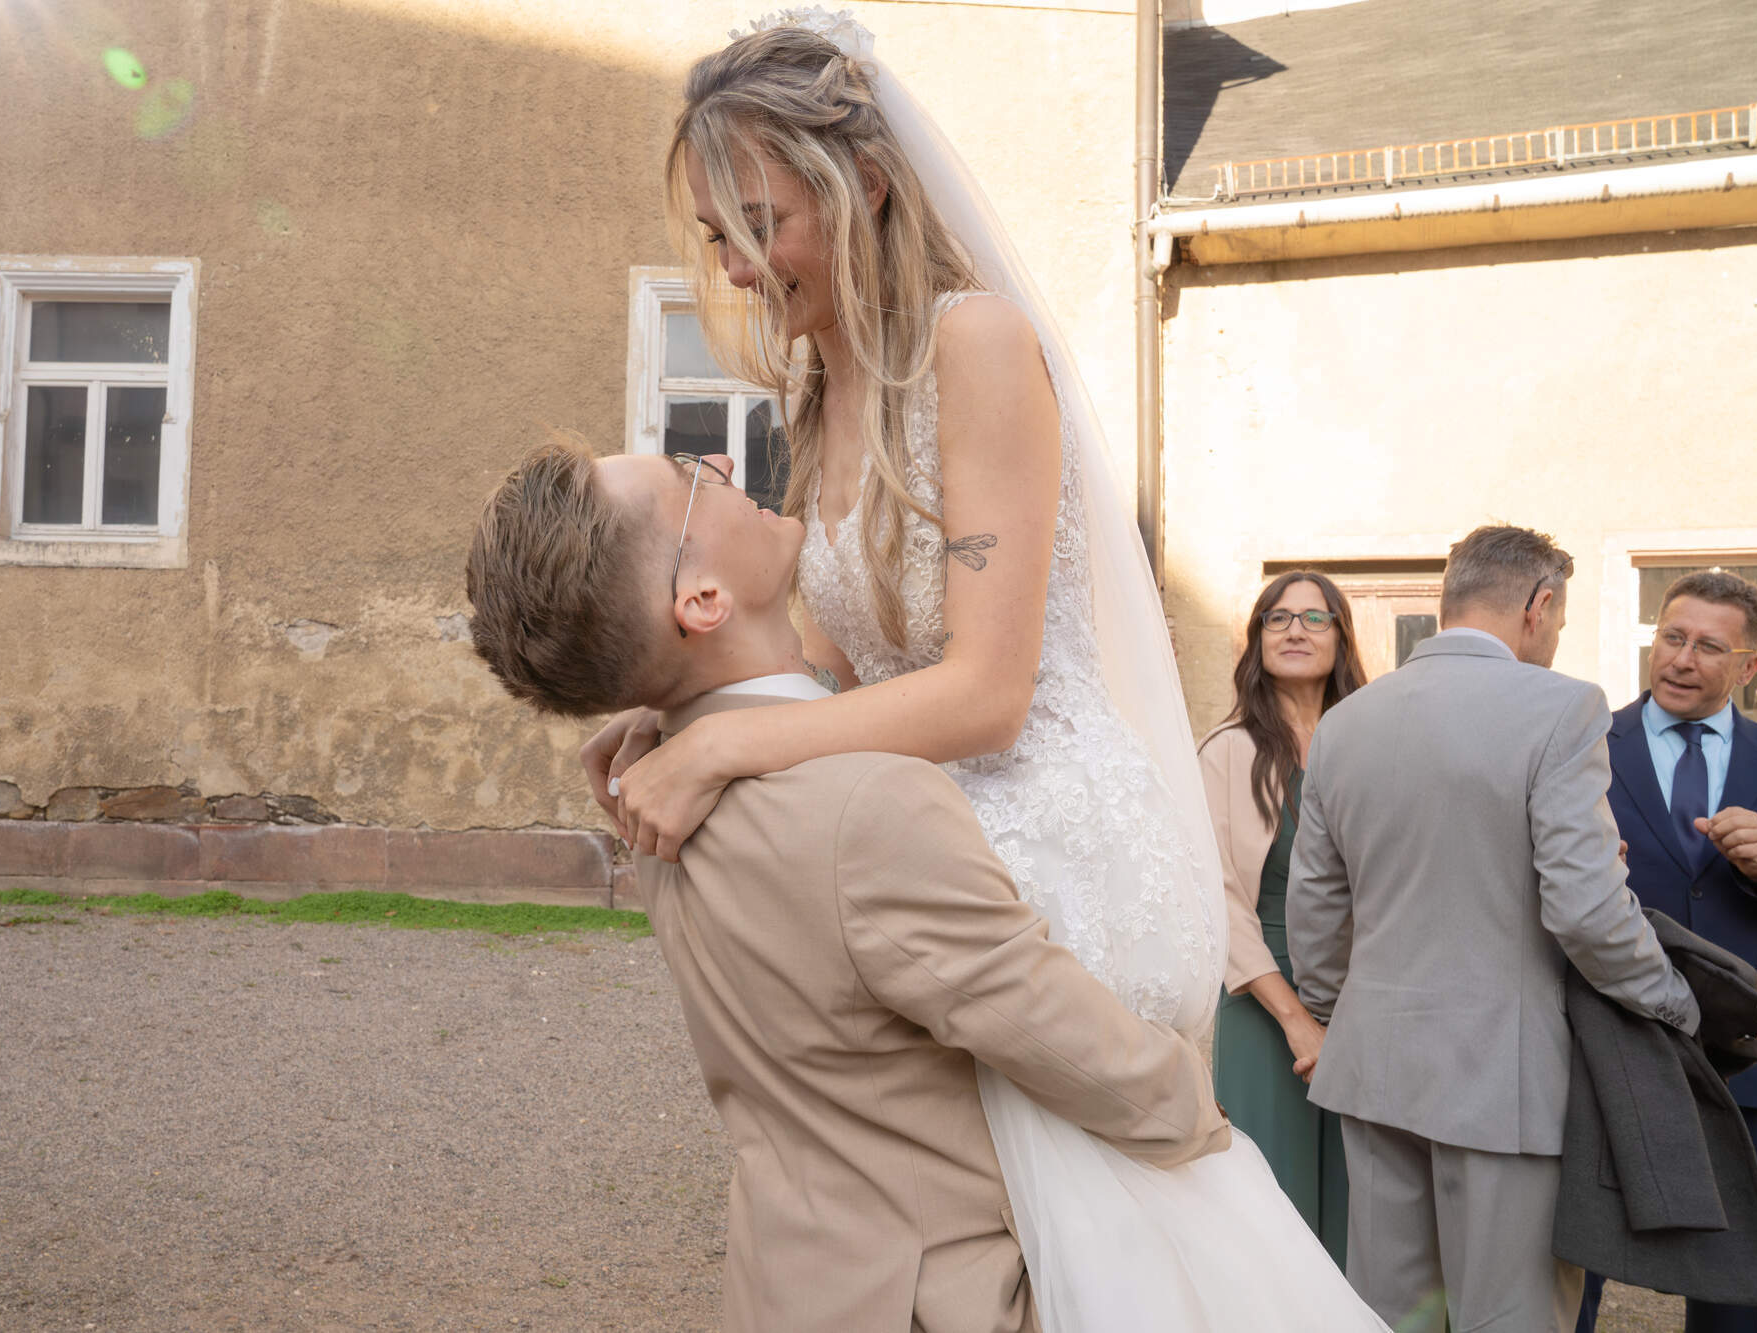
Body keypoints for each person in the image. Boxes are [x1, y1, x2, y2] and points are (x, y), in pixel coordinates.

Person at [583, 13, 1387, 1329]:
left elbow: (985, 693)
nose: (733, 267)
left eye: (760, 224)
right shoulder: (817, 386)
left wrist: (727, 746)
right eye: (718, 235)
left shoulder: (975, 343)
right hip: (922, 838)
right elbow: (830, 667)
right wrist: (677, 716)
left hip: (1051, 845)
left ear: (865, 183)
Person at [464, 438, 1231, 1331]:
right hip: (931, 1296)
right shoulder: (866, 806)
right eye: (688, 477)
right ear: (701, 599)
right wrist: (1207, 1118)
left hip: (784, 1282)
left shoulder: (660, 782)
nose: (720, 460)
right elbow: (1066, 1042)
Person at [1288, 524, 1704, 1333]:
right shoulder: (1562, 707)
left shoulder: (1345, 720)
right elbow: (1586, 908)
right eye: (1559, 619)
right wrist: (1671, 997)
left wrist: (1341, 1009)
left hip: (1374, 1064)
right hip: (1503, 1079)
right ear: (1538, 606)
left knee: (1389, 1316)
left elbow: (1315, 905)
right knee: (1509, 1317)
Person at [1576, 569, 1757, 1333]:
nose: (1682, 659)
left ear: (1750, 665)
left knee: (1742, 1293)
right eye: (1672, 637)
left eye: (1709, 647)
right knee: (1569, 1280)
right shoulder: (1581, 744)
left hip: (1745, 1063)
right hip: (1608, 1045)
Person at [1198, 570, 1367, 1266]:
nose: (1295, 629)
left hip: (1365, 997)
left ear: (1341, 637)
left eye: (1314, 617)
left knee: (1365, 1209)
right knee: (1275, 1206)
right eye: (1278, 618)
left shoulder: (1370, 745)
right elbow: (1216, 896)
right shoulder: (1226, 749)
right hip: (1260, 997)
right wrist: (1296, 1018)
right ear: (1258, 640)